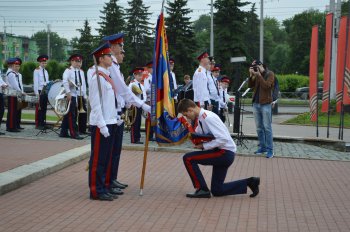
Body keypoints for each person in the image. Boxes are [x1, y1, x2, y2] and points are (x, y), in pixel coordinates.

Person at [177, 99, 260, 198]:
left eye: (186, 115)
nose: (187, 117)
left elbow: (223, 138)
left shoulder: (208, 118)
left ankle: (202, 189)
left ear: (190, 110)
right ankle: (250, 182)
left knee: (188, 158)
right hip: (223, 153)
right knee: (217, 190)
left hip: (224, 153)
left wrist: (204, 146)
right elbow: (198, 133)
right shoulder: (201, 118)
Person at [102, 33, 151, 191]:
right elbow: (123, 90)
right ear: (114, 47)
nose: (123, 49)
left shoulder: (116, 67)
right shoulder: (112, 67)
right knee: (110, 151)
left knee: (116, 150)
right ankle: (107, 181)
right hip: (111, 114)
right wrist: (142, 105)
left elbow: (121, 92)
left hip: (119, 112)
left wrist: (129, 103)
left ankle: (112, 179)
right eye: (121, 46)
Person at [88, 43, 119, 201]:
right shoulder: (97, 78)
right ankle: (96, 190)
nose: (111, 58)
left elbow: (109, 102)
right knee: (98, 160)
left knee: (106, 159)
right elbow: (95, 104)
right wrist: (102, 125)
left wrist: (115, 118)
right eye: (108, 56)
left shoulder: (106, 76)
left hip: (110, 122)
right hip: (102, 125)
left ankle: (104, 187)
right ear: (101, 59)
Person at [248, 60, 275, 158]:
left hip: (265, 104)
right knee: (259, 127)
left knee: (267, 128)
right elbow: (250, 86)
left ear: (261, 65)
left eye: (256, 66)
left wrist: (259, 75)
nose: (255, 68)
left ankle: (270, 150)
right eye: (253, 67)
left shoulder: (270, 74)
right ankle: (262, 147)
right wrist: (251, 75)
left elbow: (267, 86)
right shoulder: (256, 74)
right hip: (256, 104)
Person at [59, 54, 84, 140]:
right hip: (71, 95)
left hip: (77, 95)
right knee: (71, 115)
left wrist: (83, 94)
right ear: (72, 61)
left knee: (68, 115)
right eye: (76, 61)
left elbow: (82, 84)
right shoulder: (68, 70)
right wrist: (68, 92)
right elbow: (65, 81)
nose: (78, 63)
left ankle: (63, 132)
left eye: (79, 62)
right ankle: (74, 133)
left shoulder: (79, 71)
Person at [6, 57, 25, 132]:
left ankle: (15, 125)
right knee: (12, 111)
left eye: (18, 66)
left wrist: (21, 91)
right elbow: (15, 85)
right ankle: (11, 127)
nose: (17, 67)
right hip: (12, 94)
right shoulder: (11, 74)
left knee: (16, 110)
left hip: (16, 94)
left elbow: (20, 84)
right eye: (15, 65)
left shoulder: (17, 74)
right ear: (12, 66)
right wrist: (21, 91)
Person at [128, 67, 147, 144]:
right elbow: (130, 96)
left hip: (140, 106)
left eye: (141, 75)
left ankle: (138, 138)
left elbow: (144, 95)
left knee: (138, 122)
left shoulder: (141, 86)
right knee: (134, 123)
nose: (140, 77)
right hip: (134, 106)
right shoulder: (132, 84)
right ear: (134, 75)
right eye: (138, 75)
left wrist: (142, 102)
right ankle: (134, 139)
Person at [33, 55, 49, 130]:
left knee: (44, 108)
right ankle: (38, 124)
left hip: (45, 91)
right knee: (39, 108)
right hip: (39, 91)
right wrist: (37, 93)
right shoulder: (36, 71)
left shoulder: (46, 71)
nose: (44, 64)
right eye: (43, 62)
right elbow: (36, 82)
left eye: (45, 63)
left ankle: (43, 123)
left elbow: (46, 82)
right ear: (39, 63)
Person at [75, 60, 88, 135]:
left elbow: (84, 84)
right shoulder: (72, 71)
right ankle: (75, 130)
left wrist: (85, 95)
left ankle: (82, 129)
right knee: (74, 113)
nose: (79, 64)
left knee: (83, 112)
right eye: (78, 62)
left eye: (80, 62)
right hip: (75, 94)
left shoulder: (81, 72)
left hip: (81, 95)